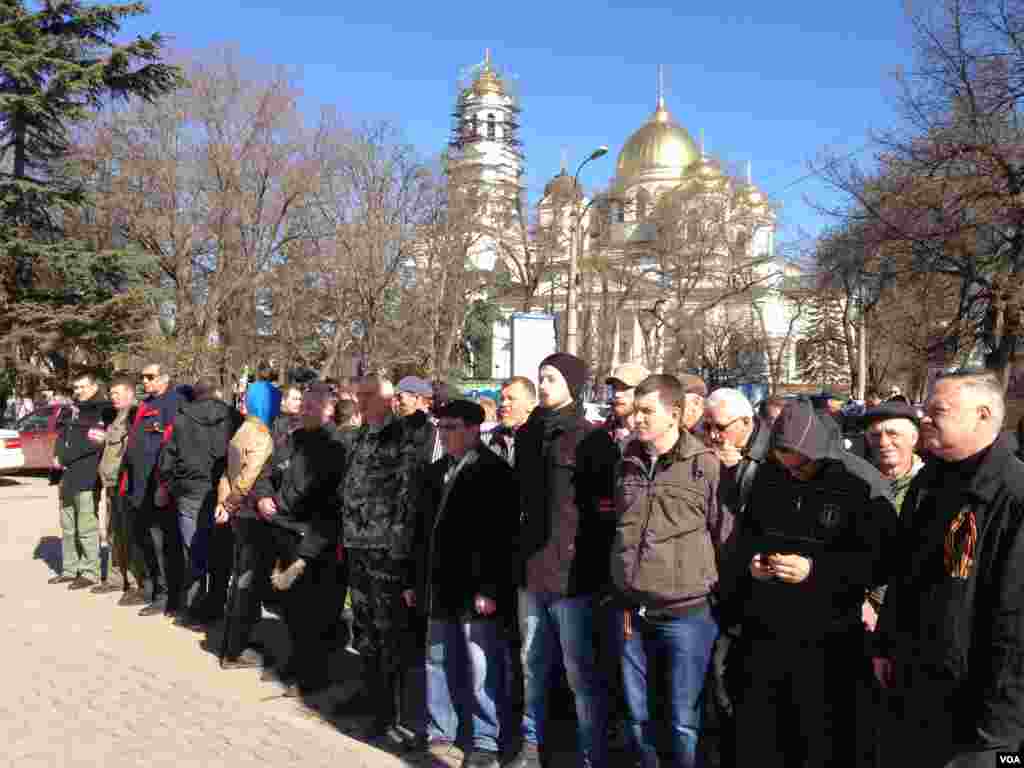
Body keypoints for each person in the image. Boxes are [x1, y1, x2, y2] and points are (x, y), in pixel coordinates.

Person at [725, 399, 898, 768]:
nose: (794, 474)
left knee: (822, 741)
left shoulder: (861, 483)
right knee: (766, 739)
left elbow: (881, 564)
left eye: (802, 466)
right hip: (766, 633)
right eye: (785, 465)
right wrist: (752, 566)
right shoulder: (770, 476)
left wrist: (816, 572)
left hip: (829, 639)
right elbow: (746, 538)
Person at [874, 370, 1024, 767]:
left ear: (983, 414)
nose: (924, 418)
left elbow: (1016, 622)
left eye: (937, 410)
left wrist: (998, 734)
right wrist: (886, 644)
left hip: (980, 716)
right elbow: (903, 575)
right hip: (915, 691)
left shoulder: (1012, 495)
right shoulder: (929, 484)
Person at [610, 374, 729, 768]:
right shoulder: (627, 459)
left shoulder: (704, 465)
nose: (637, 418)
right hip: (632, 611)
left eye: (647, 411)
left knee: (683, 719)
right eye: (635, 410)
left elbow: (723, 535)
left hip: (688, 615)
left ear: (674, 414)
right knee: (639, 714)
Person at [509, 352, 618, 768]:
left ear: (572, 383)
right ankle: (533, 748)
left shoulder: (591, 438)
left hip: (573, 575)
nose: (544, 384)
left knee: (580, 675)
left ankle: (593, 756)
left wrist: (592, 569)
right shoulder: (528, 434)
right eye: (541, 377)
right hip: (531, 571)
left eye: (551, 377)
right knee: (532, 666)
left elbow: (601, 516)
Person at [405, 400, 519, 768]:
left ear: (473, 430)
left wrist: (489, 589)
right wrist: (412, 580)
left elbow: (500, 538)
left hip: (475, 590)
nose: (444, 433)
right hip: (437, 584)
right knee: (437, 659)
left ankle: (485, 738)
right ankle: (441, 730)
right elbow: (419, 532)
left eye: (451, 427)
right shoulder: (434, 471)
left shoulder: (495, 472)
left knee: (480, 666)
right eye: (441, 427)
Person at [340, 373, 426, 744]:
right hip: (358, 546)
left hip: (386, 551)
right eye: (358, 395)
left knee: (391, 634)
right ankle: (372, 704)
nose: (360, 401)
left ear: (387, 398)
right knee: (366, 630)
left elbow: (408, 498)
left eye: (368, 395)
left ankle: (393, 715)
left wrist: (400, 552)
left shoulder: (402, 436)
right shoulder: (360, 435)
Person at [253, 383, 345, 700]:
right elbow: (266, 473)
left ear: (329, 410)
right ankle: (292, 664)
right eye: (303, 405)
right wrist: (263, 496)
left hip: (314, 540)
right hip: (283, 532)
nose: (305, 411)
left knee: (316, 612)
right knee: (290, 609)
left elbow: (333, 503)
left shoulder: (337, 447)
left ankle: (313, 676)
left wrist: (310, 547)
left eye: (313, 406)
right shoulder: (290, 439)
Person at [160, 378, 243, 627]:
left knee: (194, 552)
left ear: (195, 395)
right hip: (221, 492)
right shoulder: (234, 417)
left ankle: (194, 609)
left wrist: (170, 484)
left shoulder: (182, 418)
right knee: (221, 551)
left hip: (190, 491)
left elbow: (168, 457)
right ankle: (216, 607)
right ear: (217, 393)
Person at [214, 380, 279, 669]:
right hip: (252, 515)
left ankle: (235, 640)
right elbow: (248, 476)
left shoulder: (240, 431)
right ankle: (235, 649)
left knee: (240, 577)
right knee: (248, 582)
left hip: (239, 515)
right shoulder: (262, 435)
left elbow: (226, 474)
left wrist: (223, 502)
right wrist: (232, 502)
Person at [118, 362, 186, 617]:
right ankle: (150, 587)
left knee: (162, 545)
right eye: (142, 377)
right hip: (138, 486)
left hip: (158, 488)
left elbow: (172, 449)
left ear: (165, 378)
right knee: (145, 540)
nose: (145, 381)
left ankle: (167, 596)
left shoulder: (174, 403)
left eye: (150, 377)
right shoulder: (146, 404)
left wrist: (164, 486)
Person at [860, 401, 924, 631]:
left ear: (914, 439)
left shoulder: (931, 486)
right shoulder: (856, 482)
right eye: (875, 435)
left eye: (893, 433)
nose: (884, 442)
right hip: (860, 608)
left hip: (912, 612)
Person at [49, 373, 113, 590]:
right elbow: (60, 436)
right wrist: (57, 460)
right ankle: (70, 569)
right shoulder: (71, 409)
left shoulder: (103, 409)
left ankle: (90, 571)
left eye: (83, 387)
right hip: (66, 476)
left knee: (86, 527)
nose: (78, 391)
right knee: (68, 527)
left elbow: (94, 442)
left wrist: (64, 458)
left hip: (86, 476)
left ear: (94, 386)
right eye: (76, 387)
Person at [95, 376, 146, 600]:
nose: (112, 397)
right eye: (111, 393)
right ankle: (117, 578)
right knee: (114, 533)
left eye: (117, 393)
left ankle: (135, 583)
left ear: (130, 393)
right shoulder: (118, 418)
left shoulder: (134, 416)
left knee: (130, 535)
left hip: (125, 485)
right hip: (111, 485)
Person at [483, 376, 537, 466]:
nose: (503, 404)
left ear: (530, 405)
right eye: (502, 399)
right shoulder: (490, 439)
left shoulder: (542, 440)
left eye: (511, 399)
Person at [603, 363, 649, 451]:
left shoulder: (652, 439)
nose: (617, 394)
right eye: (615, 387)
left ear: (643, 392)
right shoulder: (600, 435)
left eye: (625, 388)